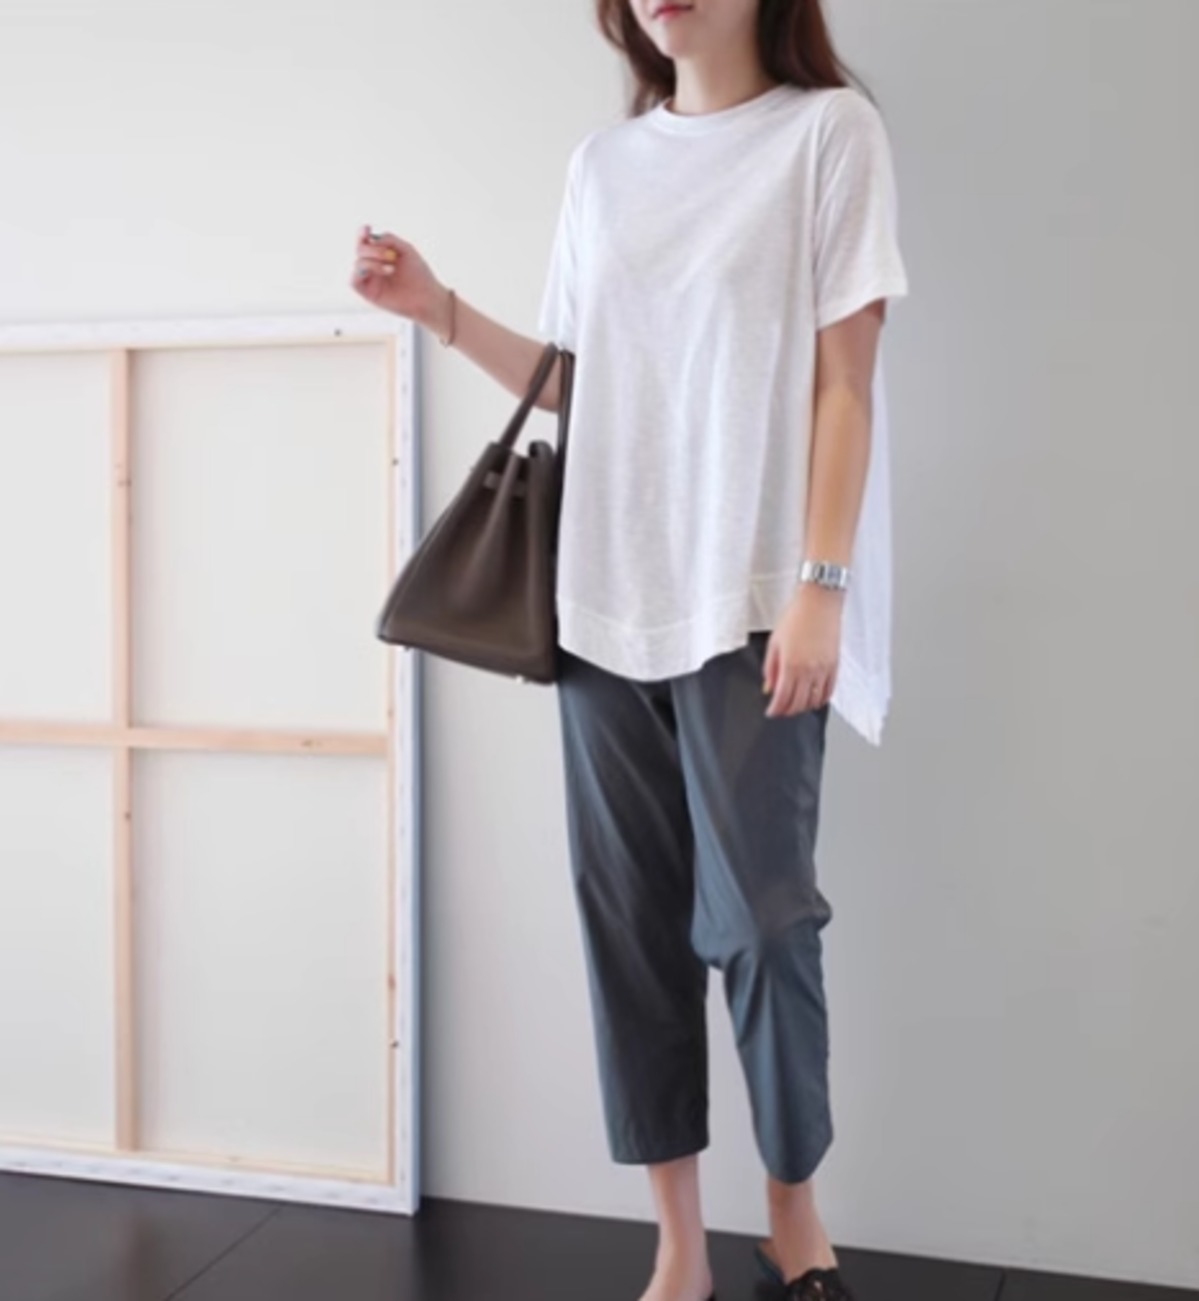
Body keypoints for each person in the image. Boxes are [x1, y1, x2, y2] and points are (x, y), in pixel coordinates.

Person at [351, 1, 909, 1297]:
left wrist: (822, 584)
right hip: (601, 601)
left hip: (753, 601)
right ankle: (677, 1245)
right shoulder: (602, 168)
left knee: (764, 921)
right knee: (631, 930)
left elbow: (845, 382)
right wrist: (438, 308)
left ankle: (794, 1215)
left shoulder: (830, 136)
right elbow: (579, 380)